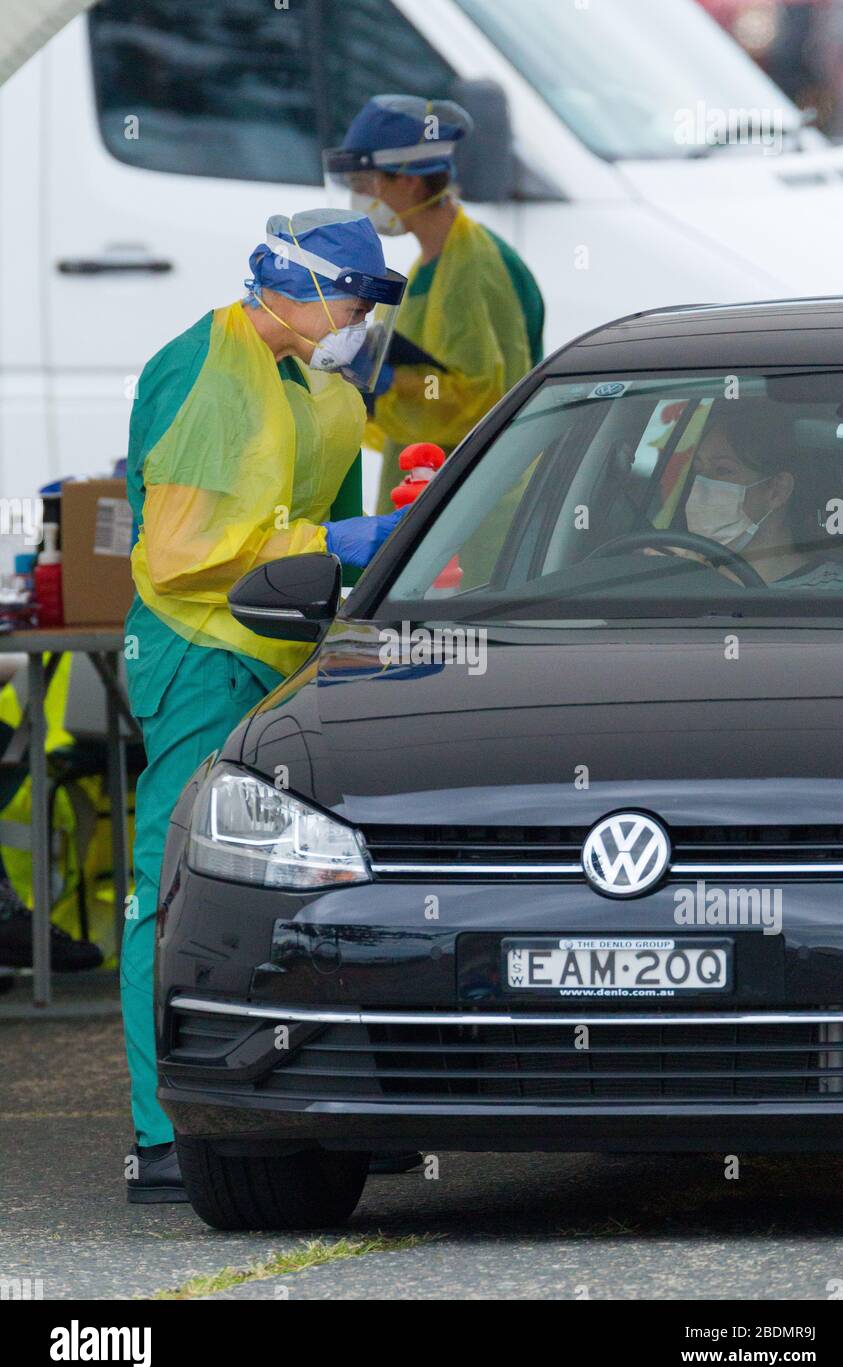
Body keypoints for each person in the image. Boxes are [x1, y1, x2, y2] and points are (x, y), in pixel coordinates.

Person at [122, 210, 408, 1202]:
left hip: (280, 640)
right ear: (289, 286)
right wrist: (334, 543)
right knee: (169, 880)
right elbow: (180, 552)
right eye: (353, 297)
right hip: (199, 648)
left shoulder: (314, 374)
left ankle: (332, 1107)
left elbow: (308, 508)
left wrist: (364, 536)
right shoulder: (206, 369)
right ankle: (163, 1132)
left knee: (308, 878)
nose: (359, 319)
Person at [324, 95, 546, 512]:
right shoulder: (432, 265)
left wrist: (392, 382)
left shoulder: (476, 268)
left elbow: (486, 401)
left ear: (408, 181)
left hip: (472, 506)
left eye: (363, 186)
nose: (358, 201)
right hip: (429, 491)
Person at [684, 400, 843, 587]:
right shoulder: (680, 585)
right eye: (697, 470)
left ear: (777, 490)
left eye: (723, 470)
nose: (701, 484)